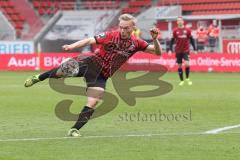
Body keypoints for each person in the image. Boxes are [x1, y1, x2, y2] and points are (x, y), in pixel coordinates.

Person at [24, 14, 161, 137]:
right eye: (121, 27)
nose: (123, 30)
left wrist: (155, 39)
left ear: (133, 27)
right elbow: (90, 40)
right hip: (90, 64)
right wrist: (71, 46)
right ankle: (39, 77)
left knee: (94, 101)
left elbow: (157, 53)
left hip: (102, 75)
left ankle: (74, 129)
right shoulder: (110, 35)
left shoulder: (136, 43)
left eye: (126, 28)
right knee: (61, 72)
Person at [169, 16, 197, 86]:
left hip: (186, 50)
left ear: (183, 21)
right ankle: (181, 80)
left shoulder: (187, 30)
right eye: (178, 20)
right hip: (178, 50)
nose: (179, 22)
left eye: (180, 20)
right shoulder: (175, 31)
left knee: (187, 64)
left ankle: (187, 78)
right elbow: (172, 41)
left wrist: (195, 49)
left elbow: (192, 40)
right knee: (179, 66)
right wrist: (170, 49)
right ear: (177, 22)